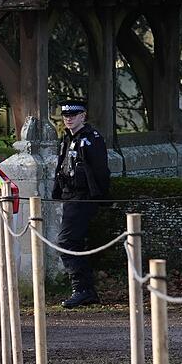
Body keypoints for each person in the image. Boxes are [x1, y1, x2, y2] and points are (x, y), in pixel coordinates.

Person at [52, 99, 110, 308]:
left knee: (67, 242)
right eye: (65, 116)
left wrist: (103, 198)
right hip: (70, 196)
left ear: (83, 116)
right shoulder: (67, 138)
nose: (68, 119)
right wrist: (57, 192)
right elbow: (62, 166)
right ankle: (85, 291)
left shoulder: (91, 138)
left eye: (73, 115)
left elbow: (101, 171)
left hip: (83, 197)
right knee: (73, 242)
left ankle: (82, 290)